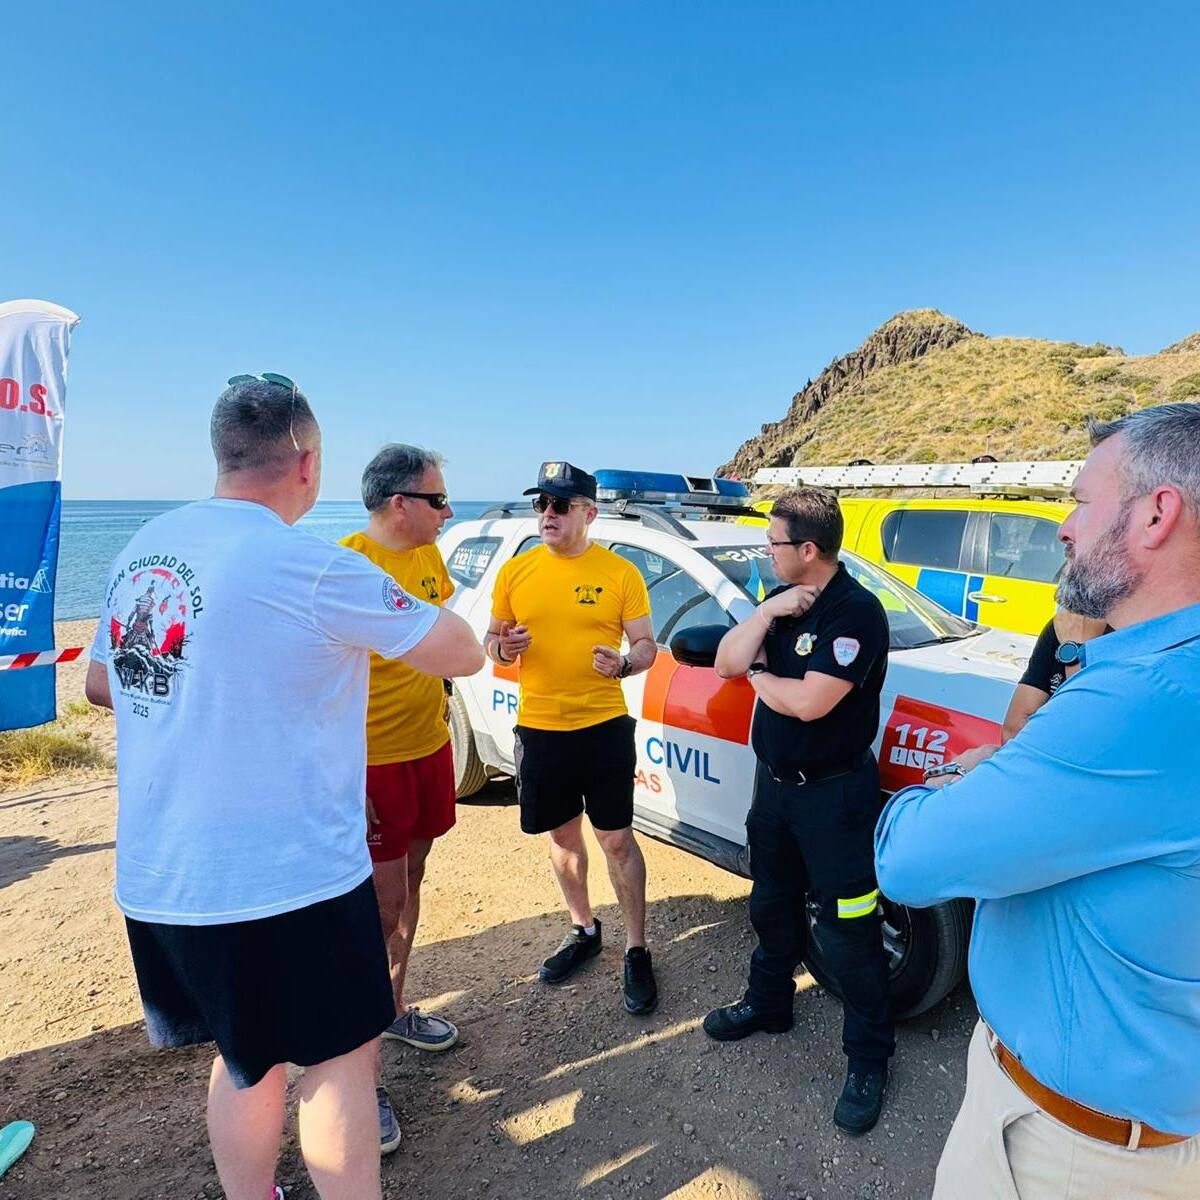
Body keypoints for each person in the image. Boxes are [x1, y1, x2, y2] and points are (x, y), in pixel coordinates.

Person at [85, 376, 484, 1200]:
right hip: (284, 875)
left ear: (221, 452)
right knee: (337, 1060)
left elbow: (101, 682)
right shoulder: (310, 564)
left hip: (165, 877)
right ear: (307, 462)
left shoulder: (144, 547)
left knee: (246, 1058)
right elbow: (459, 651)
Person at [875, 403, 1200, 1198]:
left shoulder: (1140, 700)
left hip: (1073, 1152)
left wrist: (970, 771)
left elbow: (906, 861)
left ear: (1158, 513)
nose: (1062, 527)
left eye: (1083, 501)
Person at [703, 487, 894, 1135]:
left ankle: (868, 1060)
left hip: (835, 798)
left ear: (807, 549)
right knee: (771, 904)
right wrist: (767, 619)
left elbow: (811, 703)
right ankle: (768, 1004)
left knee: (848, 930)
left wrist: (758, 676)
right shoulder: (782, 601)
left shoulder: (857, 612)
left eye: (775, 543)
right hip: (776, 790)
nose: (767, 551)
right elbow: (728, 658)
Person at [486, 461, 659, 1014]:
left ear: (590, 512)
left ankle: (636, 948)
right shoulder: (516, 572)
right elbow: (492, 638)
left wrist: (627, 664)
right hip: (541, 729)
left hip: (603, 727)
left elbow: (647, 645)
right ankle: (584, 930)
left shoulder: (620, 573)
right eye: (541, 504)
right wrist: (502, 649)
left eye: (560, 505)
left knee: (615, 840)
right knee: (562, 840)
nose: (547, 514)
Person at [340, 443, 461, 1150]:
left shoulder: (427, 559)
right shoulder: (349, 564)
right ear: (399, 505)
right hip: (373, 764)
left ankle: (392, 1009)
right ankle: (362, 1084)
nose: (448, 511)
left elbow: (436, 643)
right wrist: (343, 778)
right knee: (375, 913)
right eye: (439, 500)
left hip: (429, 747)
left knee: (411, 888)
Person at [1001, 608, 1108, 742]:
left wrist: (1074, 654)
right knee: (981, 754)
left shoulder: (1134, 644)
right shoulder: (1070, 624)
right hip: (1044, 752)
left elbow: (1090, 737)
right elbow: (1013, 731)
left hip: (1069, 755)